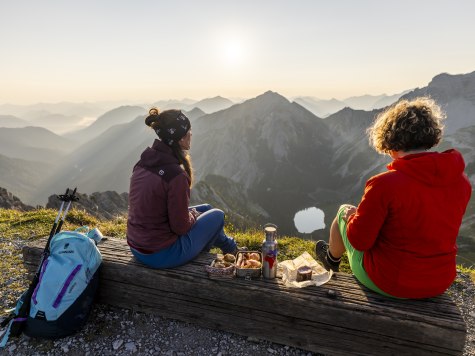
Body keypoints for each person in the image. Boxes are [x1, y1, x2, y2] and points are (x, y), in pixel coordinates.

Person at [315, 97, 472, 299]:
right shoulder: (461, 181)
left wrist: (352, 218)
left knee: (343, 210)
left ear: (391, 142)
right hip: (440, 281)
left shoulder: (385, 184)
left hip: (391, 282)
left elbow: (360, 241)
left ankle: (331, 259)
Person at [127, 108, 238, 268]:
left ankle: (230, 247)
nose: (191, 134)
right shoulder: (176, 176)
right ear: (180, 139)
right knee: (218, 215)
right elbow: (181, 227)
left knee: (206, 208)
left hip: (137, 246)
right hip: (161, 254)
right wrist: (191, 215)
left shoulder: (143, 163)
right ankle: (231, 249)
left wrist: (190, 214)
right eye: (188, 131)